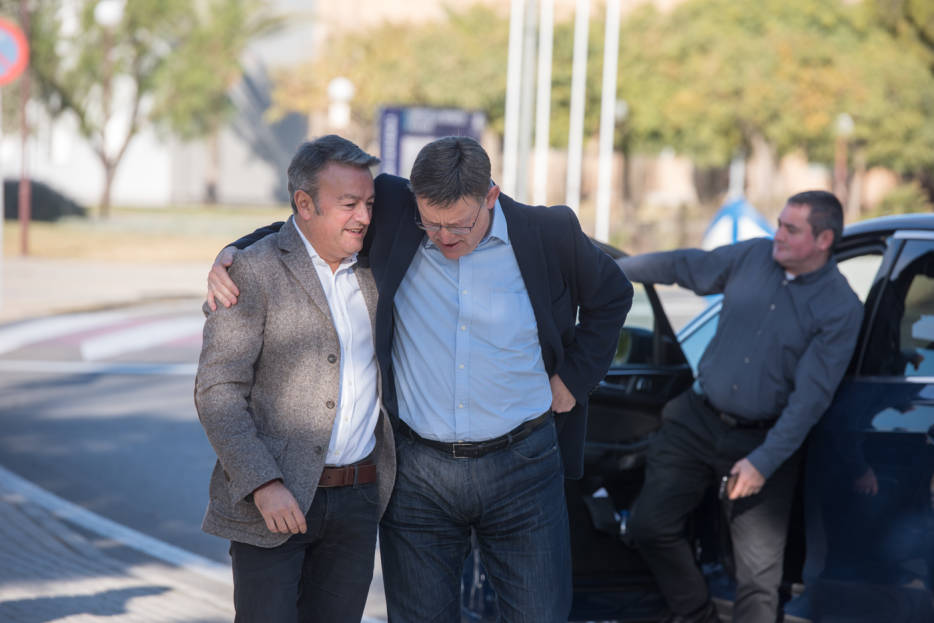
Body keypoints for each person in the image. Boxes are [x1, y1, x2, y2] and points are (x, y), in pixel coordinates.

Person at [207, 136, 633, 622]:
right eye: (430, 222)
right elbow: (308, 224)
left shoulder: (548, 231)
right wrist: (232, 252)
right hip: (419, 475)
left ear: (490, 196)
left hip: (524, 468)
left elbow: (613, 295)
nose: (443, 237)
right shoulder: (391, 208)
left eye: (458, 225)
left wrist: (574, 379)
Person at [617, 190, 863, 623]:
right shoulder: (752, 256)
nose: (778, 235)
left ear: (823, 240)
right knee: (648, 526)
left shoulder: (840, 308)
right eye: (780, 223)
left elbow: (810, 400)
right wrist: (617, 269)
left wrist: (762, 463)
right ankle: (696, 615)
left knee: (758, 579)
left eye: (791, 229)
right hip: (697, 419)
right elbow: (684, 266)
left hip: (762, 441)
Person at [195, 135, 395, 623]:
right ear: (304, 204)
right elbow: (217, 391)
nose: (365, 217)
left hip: (358, 499)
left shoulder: (378, 264)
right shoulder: (253, 270)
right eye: (349, 205)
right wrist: (264, 483)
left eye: (368, 204)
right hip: (274, 503)